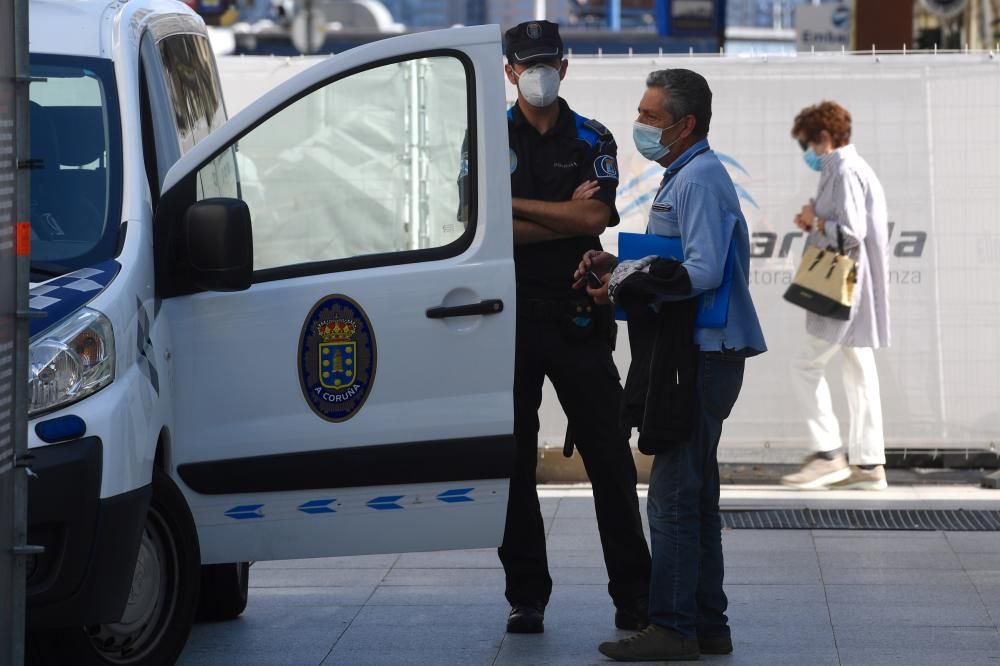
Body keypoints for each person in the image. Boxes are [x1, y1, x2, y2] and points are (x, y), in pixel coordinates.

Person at [577, 68, 766, 661]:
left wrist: (623, 281)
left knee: (673, 497)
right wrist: (619, 266)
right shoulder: (685, 174)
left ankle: (674, 628)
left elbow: (703, 270)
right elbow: (674, 258)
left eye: (652, 117)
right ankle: (707, 623)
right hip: (696, 352)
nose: (641, 126)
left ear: (685, 125)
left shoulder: (700, 178)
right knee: (694, 491)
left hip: (702, 357)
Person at [497, 20, 651, 635]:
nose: (538, 74)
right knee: (512, 463)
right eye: (527, 65)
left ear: (566, 66)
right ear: (509, 71)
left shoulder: (593, 135)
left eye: (548, 63)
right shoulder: (485, 136)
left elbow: (597, 214)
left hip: (579, 319)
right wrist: (564, 218)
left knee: (610, 459)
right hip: (508, 322)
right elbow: (488, 231)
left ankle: (634, 595)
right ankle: (526, 595)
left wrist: (512, 204)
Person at [780, 101, 891, 491]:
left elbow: (850, 234)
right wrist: (816, 221)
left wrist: (817, 221)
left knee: (804, 365)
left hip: (843, 289)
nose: (806, 153)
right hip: (853, 288)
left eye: (806, 144)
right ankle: (868, 463)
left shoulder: (842, 170)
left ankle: (828, 454)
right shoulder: (848, 168)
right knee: (860, 374)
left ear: (823, 138)